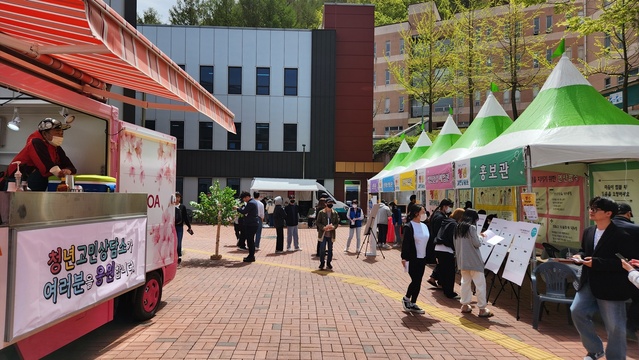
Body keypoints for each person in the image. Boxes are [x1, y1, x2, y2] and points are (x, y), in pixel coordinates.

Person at [570, 197, 636, 360]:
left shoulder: (622, 234)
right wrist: (580, 256)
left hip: (612, 286)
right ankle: (595, 349)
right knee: (576, 311)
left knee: (615, 326)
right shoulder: (589, 231)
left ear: (608, 213)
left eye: (595, 209)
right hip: (589, 281)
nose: (591, 211)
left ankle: (616, 357)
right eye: (590, 207)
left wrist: (597, 263)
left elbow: (625, 262)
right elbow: (585, 251)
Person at [5, 117, 76, 191]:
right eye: (57, 132)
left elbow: (70, 166)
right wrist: (61, 173)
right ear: (44, 134)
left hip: (35, 181)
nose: (60, 136)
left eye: (62, 133)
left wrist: (68, 170)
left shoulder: (56, 147)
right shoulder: (36, 142)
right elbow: (47, 167)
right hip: (17, 180)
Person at [454, 208, 493, 317]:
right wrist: (481, 237)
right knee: (480, 285)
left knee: (465, 283)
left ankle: (465, 305)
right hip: (474, 261)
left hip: (462, 260)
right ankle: (482, 309)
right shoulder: (471, 228)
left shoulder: (457, 227)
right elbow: (477, 243)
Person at [612, 203, 639, 333]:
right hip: (631, 269)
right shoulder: (635, 229)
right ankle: (631, 327)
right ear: (628, 214)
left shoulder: (602, 228)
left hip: (607, 272)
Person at [401, 204, 430, 314]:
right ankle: (407, 298)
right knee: (415, 280)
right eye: (423, 212)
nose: (425, 214)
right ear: (416, 213)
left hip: (422, 258)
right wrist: (404, 258)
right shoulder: (409, 226)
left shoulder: (425, 226)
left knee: (419, 281)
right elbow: (406, 243)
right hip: (412, 258)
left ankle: (413, 302)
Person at [434, 208, 464, 299]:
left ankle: (445, 289)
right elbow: (453, 239)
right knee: (450, 272)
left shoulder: (447, 221)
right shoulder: (454, 224)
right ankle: (449, 292)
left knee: (444, 270)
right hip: (446, 249)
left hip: (438, 247)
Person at [426, 198, 454, 288]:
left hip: (435, 241)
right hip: (438, 242)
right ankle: (436, 279)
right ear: (444, 206)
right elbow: (440, 231)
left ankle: (435, 279)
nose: (450, 209)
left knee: (440, 263)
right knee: (441, 263)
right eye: (449, 207)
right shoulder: (440, 217)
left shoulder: (437, 214)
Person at [236, 191, 260, 262]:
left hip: (251, 224)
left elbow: (244, 211)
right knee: (250, 240)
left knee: (250, 241)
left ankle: (251, 256)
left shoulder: (251, 203)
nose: (244, 200)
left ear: (247, 197)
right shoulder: (252, 202)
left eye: (244, 198)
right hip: (252, 224)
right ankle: (251, 255)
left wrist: (237, 208)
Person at [317, 198, 340, 270]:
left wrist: (333, 227)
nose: (331, 205)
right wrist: (323, 227)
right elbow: (318, 222)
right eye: (329, 203)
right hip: (323, 234)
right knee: (322, 249)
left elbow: (336, 223)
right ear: (326, 204)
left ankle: (329, 262)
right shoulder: (321, 212)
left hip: (331, 234)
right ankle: (322, 262)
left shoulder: (335, 213)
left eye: (332, 203)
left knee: (330, 249)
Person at [174, 192, 192, 265]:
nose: (177, 199)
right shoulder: (171, 206)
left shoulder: (182, 207)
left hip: (179, 227)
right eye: (176, 197)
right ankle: (173, 256)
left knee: (178, 242)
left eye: (178, 197)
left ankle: (178, 256)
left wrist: (189, 226)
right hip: (172, 227)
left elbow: (185, 217)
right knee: (172, 242)